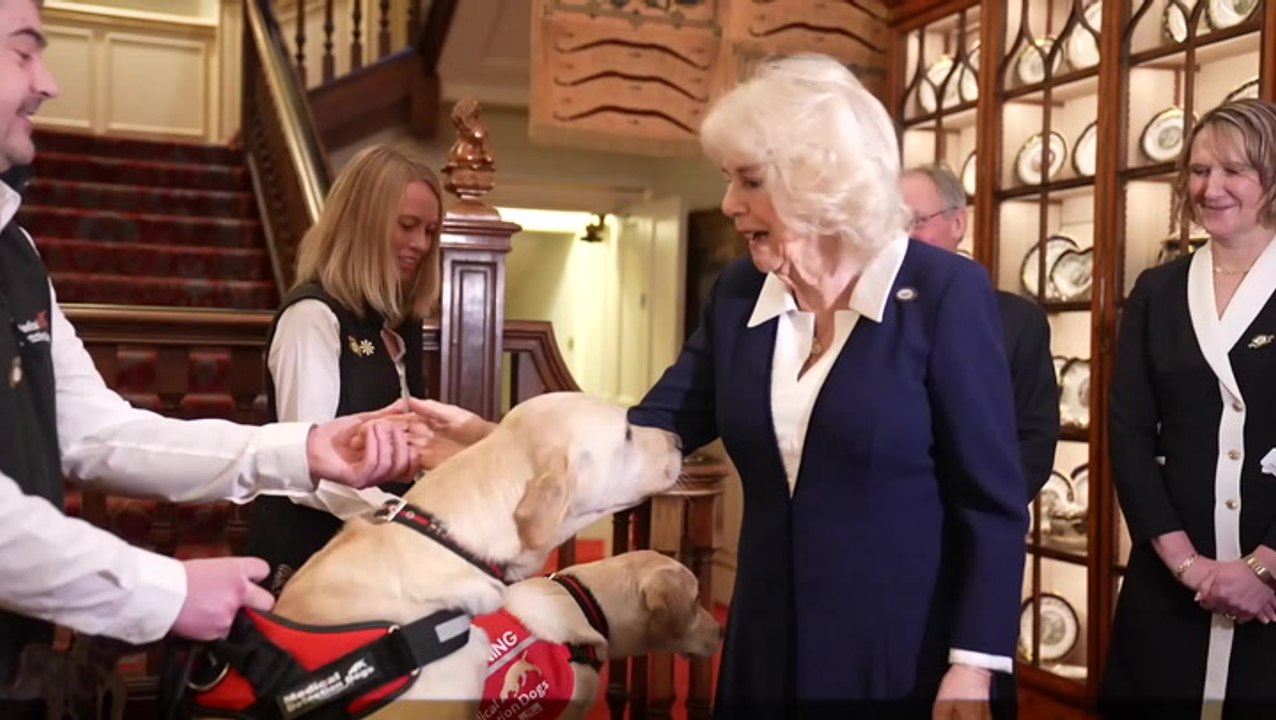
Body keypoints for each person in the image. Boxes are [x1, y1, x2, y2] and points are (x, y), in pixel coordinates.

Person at [0, 0, 419, 709]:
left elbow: (101, 432)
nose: (48, 82)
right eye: (21, 52)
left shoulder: (19, 254)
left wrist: (307, 447)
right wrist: (165, 591)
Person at [624, 54, 1027, 717]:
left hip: (902, 660)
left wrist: (974, 666)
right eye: (729, 181)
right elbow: (657, 423)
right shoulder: (737, 292)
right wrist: (515, 445)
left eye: (749, 181)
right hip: (765, 651)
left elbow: (991, 502)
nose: (728, 204)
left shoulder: (947, 294)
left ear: (821, 180)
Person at [1103, 98, 1276, 718]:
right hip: (1170, 579)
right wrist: (1189, 567)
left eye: (1234, 170)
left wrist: (1261, 567)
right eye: (1200, 171)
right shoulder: (1157, 289)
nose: (1212, 187)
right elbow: (1126, 431)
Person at [244, 144, 443, 593]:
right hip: (311, 556)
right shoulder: (313, 316)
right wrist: (407, 520)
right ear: (363, 223)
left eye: (430, 230)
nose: (421, 245)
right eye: (407, 226)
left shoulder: (402, 322)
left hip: (379, 549)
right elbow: (305, 470)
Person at [900, 163, 1060, 499]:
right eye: (892, 226)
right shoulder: (868, 314)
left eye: (915, 222)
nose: (903, 238)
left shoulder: (1018, 321)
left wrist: (986, 512)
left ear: (958, 222)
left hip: (975, 526)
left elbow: (1034, 440)